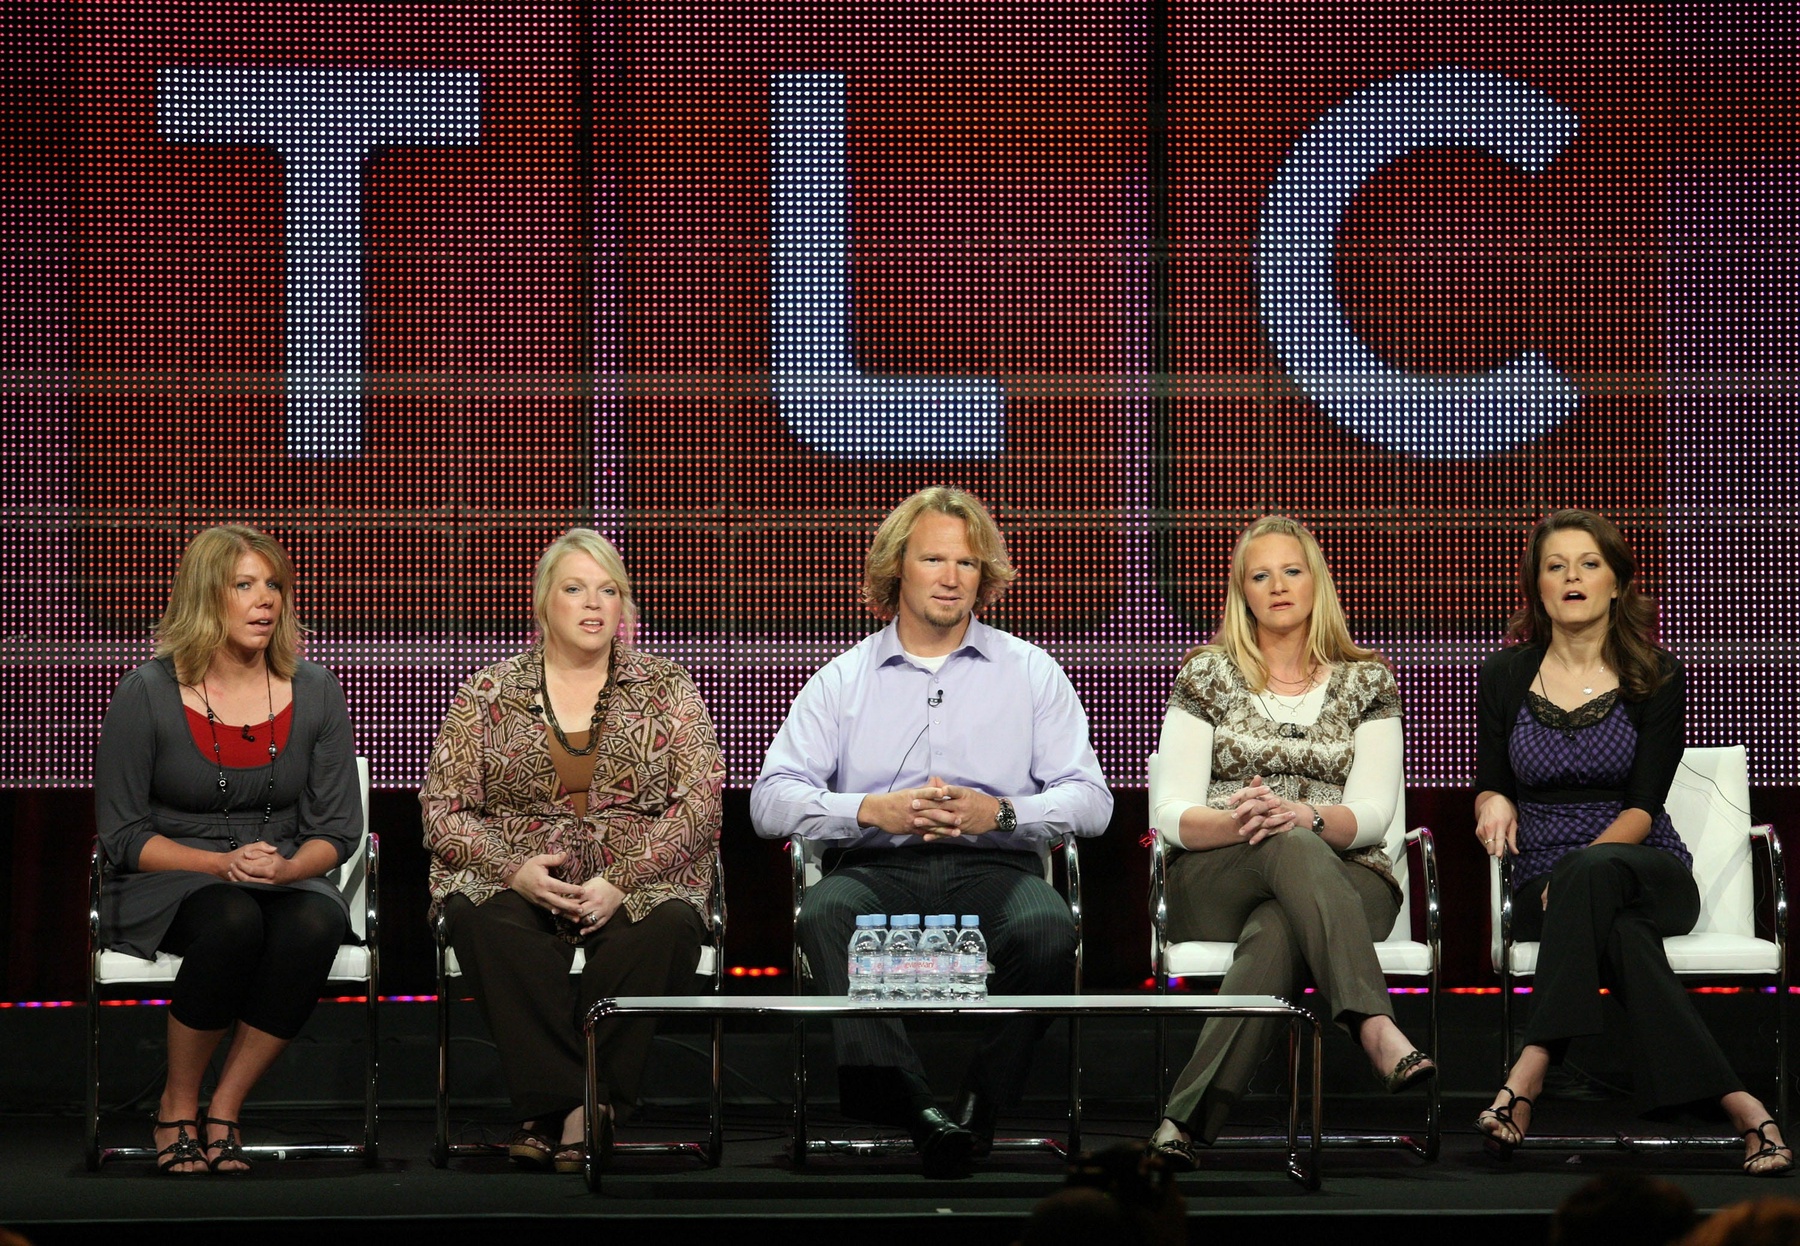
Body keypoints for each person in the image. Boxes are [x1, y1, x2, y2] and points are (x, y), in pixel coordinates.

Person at [750, 485, 1113, 1177]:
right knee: (825, 913)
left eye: (967, 564)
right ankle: (918, 1108)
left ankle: (980, 1099)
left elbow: (1092, 801)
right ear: (897, 569)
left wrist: (1000, 813)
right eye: (933, 560)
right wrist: (869, 810)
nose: (951, 577)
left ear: (986, 578)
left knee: (1048, 930)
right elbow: (770, 801)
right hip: (875, 870)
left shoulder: (1030, 672)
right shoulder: (843, 679)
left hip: (997, 871)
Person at [1474, 509, 1791, 1176]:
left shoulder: (1656, 674)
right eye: (1555, 566)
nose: (1572, 577)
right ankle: (1744, 1108)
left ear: (1617, 582)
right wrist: (1492, 798)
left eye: (1588, 564)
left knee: (1595, 880)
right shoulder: (1503, 675)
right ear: (1537, 586)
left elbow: (1644, 808)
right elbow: (1491, 781)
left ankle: (1528, 1072)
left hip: (1648, 869)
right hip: (1543, 882)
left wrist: (1588, 864)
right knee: (1621, 939)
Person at [422, 528, 723, 1173]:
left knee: (659, 929)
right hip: (517, 875)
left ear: (624, 607)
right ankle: (580, 1106)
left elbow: (701, 801)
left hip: (643, 877)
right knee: (490, 924)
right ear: (543, 604)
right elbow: (441, 810)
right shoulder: (489, 693)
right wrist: (513, 871)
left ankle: (557, 1113)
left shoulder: (665, 687)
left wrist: (622, 876)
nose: (594, 604)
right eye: (575, 589)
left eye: (608, 590)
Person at [1147, 514, 1433, 1168]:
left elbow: (1371, 816)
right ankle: (1372, 1023)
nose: (1278, 586)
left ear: (1316, 582)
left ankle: (1183, 1123)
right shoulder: (1206, 674)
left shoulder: (1368, 681)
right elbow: (1170, 813)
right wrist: (1246, 820)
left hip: (1350, 881)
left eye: (1292, 571)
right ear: (1241, 592)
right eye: (1260, 575)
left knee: (1279, 921)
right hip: (1221, 872)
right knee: (1284, 838)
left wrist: (1303, 817)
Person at [93, 525, 362, 1175]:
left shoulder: (316, 689)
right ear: (205, 597)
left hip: (279, 871)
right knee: (231, 920)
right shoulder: (146, 692)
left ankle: (225, 1110)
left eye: (273, 585)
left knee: (318, 920)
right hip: (170, 873)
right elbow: (123, 834)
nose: (264, 600)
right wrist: (218, 864)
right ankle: (176, 1107)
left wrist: (294, 867)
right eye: (244, 585)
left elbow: (338, 827)